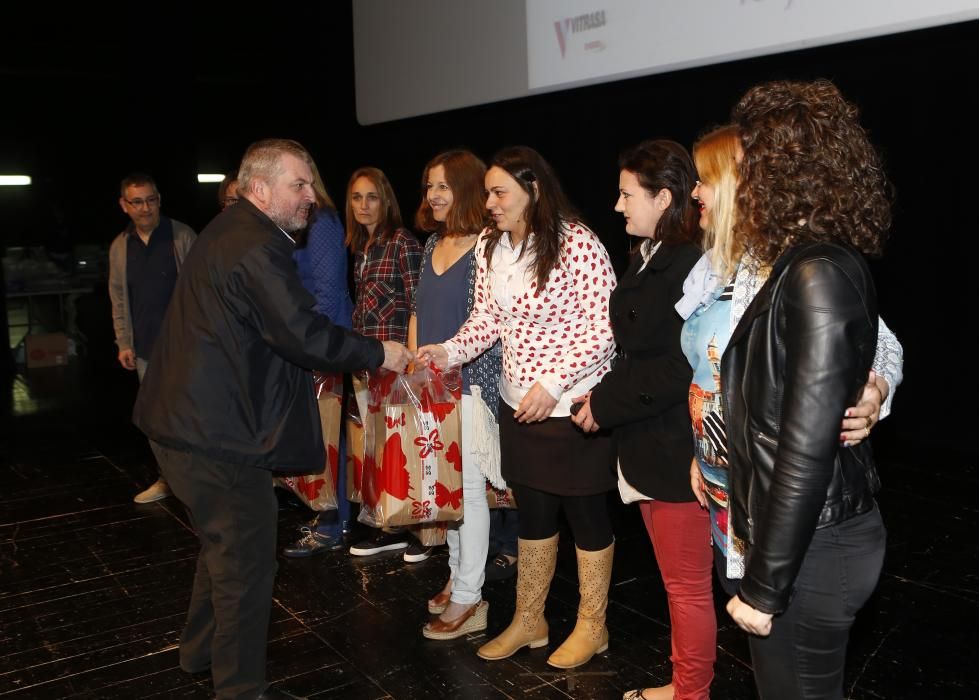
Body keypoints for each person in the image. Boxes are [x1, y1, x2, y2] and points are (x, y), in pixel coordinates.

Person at [132, 138, 412, 700]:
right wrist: (381, 352)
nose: (312, 196)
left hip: (188, 426)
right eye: (300, 185)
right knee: (246, 565)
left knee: (222, 546)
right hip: (214, 436)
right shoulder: (255, 246)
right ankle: (239, 690)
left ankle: (199, 653)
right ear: (259, 189)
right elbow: (303, 334)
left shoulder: (234, 229)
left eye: (311, 183)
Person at [719, 81, 891, 698]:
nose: (736, 185)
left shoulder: (817, 272)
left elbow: (806, 449)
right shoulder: (802, 261)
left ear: (782, 172)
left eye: (745, 168)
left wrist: (764, 588)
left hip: (816, 544)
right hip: (803, 540)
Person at [418, 145, 618, 669]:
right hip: (516, 405)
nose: (489, 203)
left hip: (572, 408)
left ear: (533, 191)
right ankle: (530, 620)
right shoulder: (490, 245)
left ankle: (593, 625)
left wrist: (553, 384)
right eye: (487, 192)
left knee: (586, 515)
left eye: (499, 192)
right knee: (533, 514)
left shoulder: (578, 244)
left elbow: (604, 329)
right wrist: (447, 351)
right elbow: (486, 319)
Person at [568, 141, 707, 700]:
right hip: (647, 443)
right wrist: (599, 396)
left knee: (687, 586)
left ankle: (690, 690)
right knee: (679, 582)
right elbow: (637, 354)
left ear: (664, 197)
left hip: (675, 447)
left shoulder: (691, 264)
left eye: (628, 194)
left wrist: (606, 405)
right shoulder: (649, 254)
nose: (618, 204)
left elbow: (682, 365)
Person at [408, 149, 502, 639]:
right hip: (431, 384)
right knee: (445, 486)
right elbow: (419, 312)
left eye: (442, 185)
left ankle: (469, 597)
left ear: (465, 188)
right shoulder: (430, 245)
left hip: (472, 384)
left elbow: (488, 324)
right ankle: (458, 574)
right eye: (429, 186)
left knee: (466, 492)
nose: (433, 195)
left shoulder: (489, 244)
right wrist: (411, 368)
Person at [343, 166, 427, 561]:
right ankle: (387, 524)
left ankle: (413, 530)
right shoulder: (362, 246)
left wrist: (411, 365)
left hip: (395, 367)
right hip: (366, 365)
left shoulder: (401, 243)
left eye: (371, 197)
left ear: (386, 201)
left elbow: (416, 306)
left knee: (402, 450)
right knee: (376, 450)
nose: (363, 205)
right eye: (357, 197)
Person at [282, 161, 355, 557]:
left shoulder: (322, 220)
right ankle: (327, 514)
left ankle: (335, 523)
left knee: (331, 437)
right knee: (320, 436)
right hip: (307, 343)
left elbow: (328, 293)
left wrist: (315, 349)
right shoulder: (298, 220)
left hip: (324, 344)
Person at [108, 172, 196, 503]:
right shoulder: (120, 246)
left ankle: (197, 481)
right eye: (138, 201)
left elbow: (203, 290)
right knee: (155, 420)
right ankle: (167, 480)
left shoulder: (181, 236)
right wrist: (124, 341)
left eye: (151, 199)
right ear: (124, 205)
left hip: (184, 347)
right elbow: (118, 297)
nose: (146, 208)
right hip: (145, 347)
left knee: (191, 415)